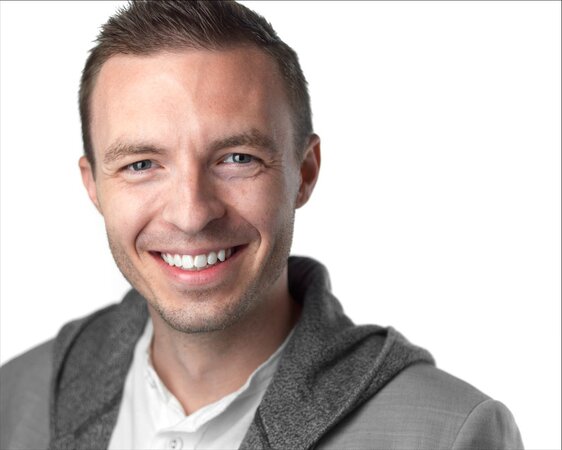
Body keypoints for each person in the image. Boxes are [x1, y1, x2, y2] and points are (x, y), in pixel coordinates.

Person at [0, 1, 524, 449]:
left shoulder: (447, 435)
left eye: (237, 158)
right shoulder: (13, 403)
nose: (191, 214)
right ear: (94, 186)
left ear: (304, 173)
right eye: (141, 164)